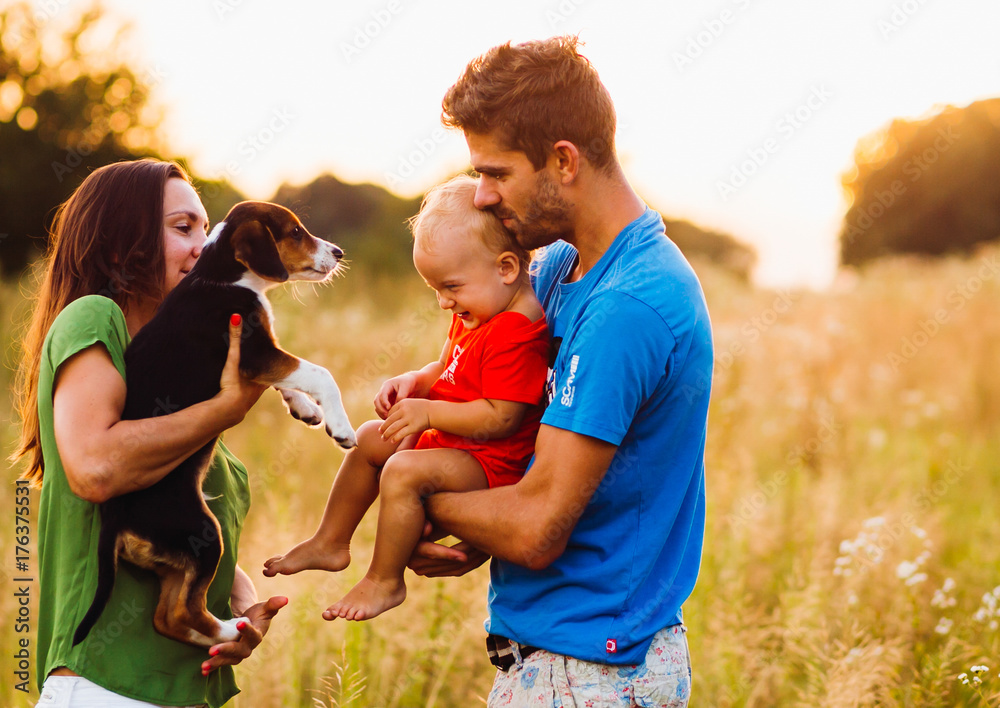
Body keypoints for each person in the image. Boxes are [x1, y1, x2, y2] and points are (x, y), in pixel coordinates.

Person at [405, 37, 714, 707]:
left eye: (496, 174)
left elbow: (536, 525)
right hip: (554, 660)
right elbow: (509, 430)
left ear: (564, 161)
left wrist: (413, 499)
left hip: (596, 673)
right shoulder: (552, 270)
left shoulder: (628, 303)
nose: (482, 198)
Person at [12, 159, 287, 708]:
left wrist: (236, 614)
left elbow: (182, 522)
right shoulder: (94, 318)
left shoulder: (175, 384)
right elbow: (95, 468)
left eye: (207, 230)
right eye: (183, 228)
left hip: (183, 691)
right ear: (121, 248)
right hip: (106, 687)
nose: (204, 246)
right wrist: (226, 408)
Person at [262, 174, 548, 622]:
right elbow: (446, 369)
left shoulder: (515, 330)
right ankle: (331, 541)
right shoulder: (482, 309)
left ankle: (385, 580)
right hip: (459, 444)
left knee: (403, 470)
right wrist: (415, 381)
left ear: (507, 268)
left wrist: (430, 411)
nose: (443, 304)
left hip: (491, 462)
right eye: (436, 291)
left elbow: (502, 418)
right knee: (371, 437)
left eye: (451, 287)